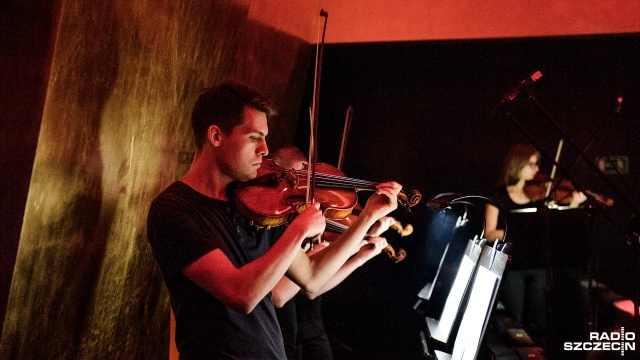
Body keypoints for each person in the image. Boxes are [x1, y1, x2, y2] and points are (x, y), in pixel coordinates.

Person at [146, 81, 402, 359]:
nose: (265, 150)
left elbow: (313, 279)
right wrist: (297, 232)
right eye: (254, 137)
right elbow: (240, 295)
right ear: (216, 136)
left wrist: (367, 217)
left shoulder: (252, 203)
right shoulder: (173, 210)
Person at [271, 145, 396, 360]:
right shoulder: (277, 225)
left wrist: (359, 257)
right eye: (292, 181)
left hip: (304, 328)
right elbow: (283, 293)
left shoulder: (297, 222)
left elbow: (313, 286)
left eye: (305, 182)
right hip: (284, 333)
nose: (302, 192)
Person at [484, 143, 586, 344]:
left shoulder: (542, 195)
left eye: (537, 164)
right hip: (512, 267)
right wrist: (518, 229)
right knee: (514, 321)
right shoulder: (499, 195)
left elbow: (555, 226)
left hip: (538, 264)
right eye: (531, 164)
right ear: (517, 165)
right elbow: (489, 233)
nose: (537, 169)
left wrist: (573, 204)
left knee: (539, 320)